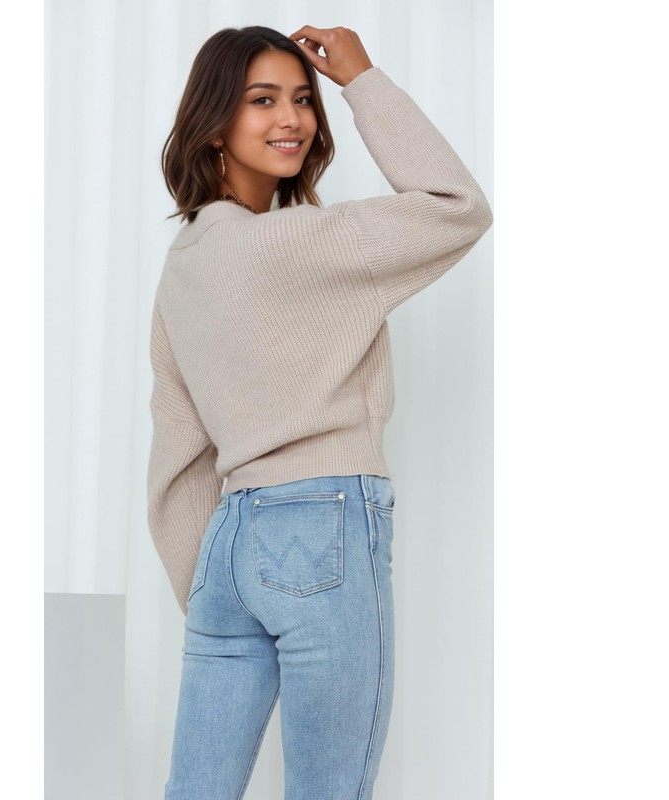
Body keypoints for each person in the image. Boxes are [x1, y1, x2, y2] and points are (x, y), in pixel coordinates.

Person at [147, 23, 493, 800]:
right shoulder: (311, 241)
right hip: (326, 522)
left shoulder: (183, 266)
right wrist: (361, 78)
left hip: (224, 545)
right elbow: (459, 205)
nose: (293, 119)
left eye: (303, 99)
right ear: (214, 123)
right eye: (262, 100)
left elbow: (178, 443)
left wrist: (212, 596)